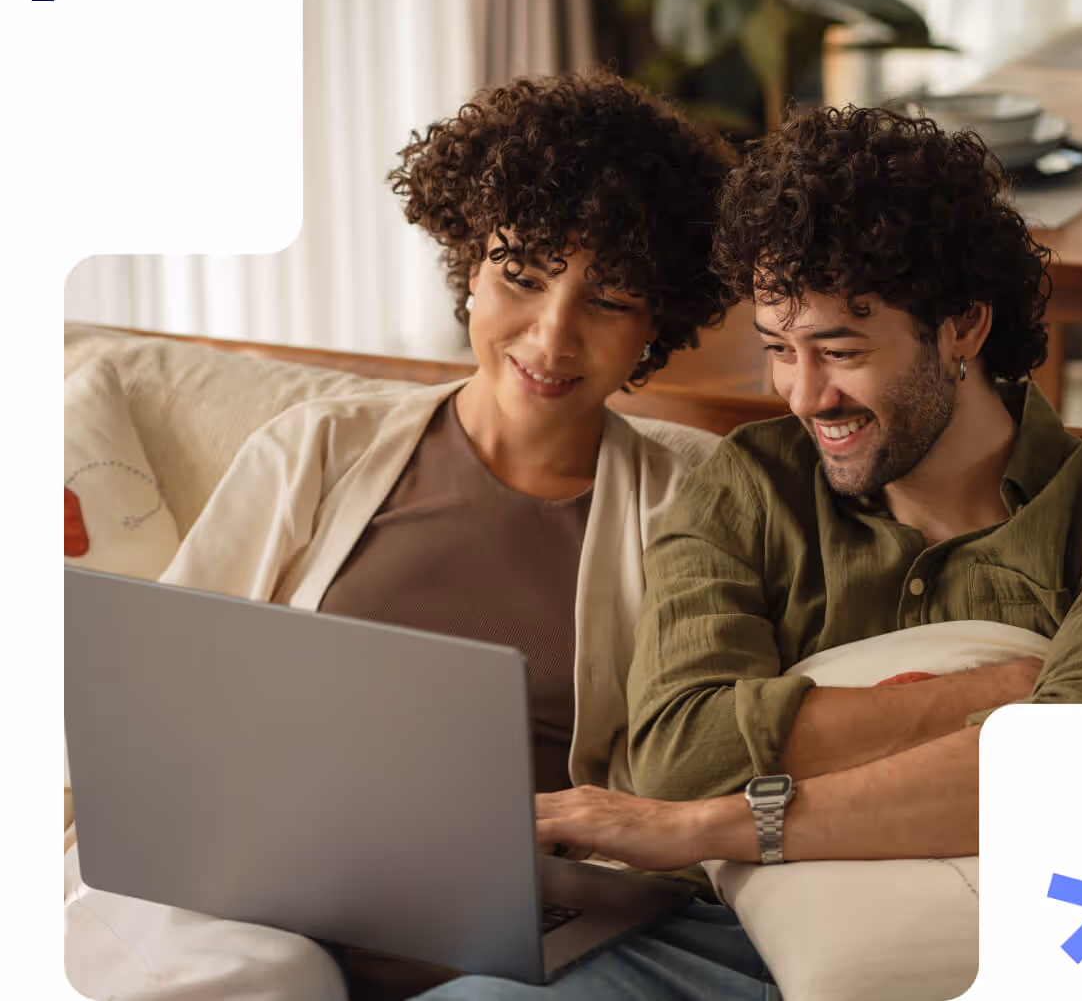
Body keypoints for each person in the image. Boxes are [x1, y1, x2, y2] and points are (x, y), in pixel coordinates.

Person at [421, 104, 1082, 998]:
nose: (804, 395)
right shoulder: (751, 486)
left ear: (962, 326)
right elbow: (681, 751)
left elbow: (1081, 774)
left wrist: (712, 826)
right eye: (779, 350)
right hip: (729, 945)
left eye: (840, 350)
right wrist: (992, 697)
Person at [63, 69, 761, 1001]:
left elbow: (696, 776)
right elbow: (163, 694)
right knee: (275, 977)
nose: (552, 336)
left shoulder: (689, 511)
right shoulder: (319, 447)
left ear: (655, 324)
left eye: (607, 299)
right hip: (248, 885)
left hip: (506, 921)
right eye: (522, 277)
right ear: (470, 268)